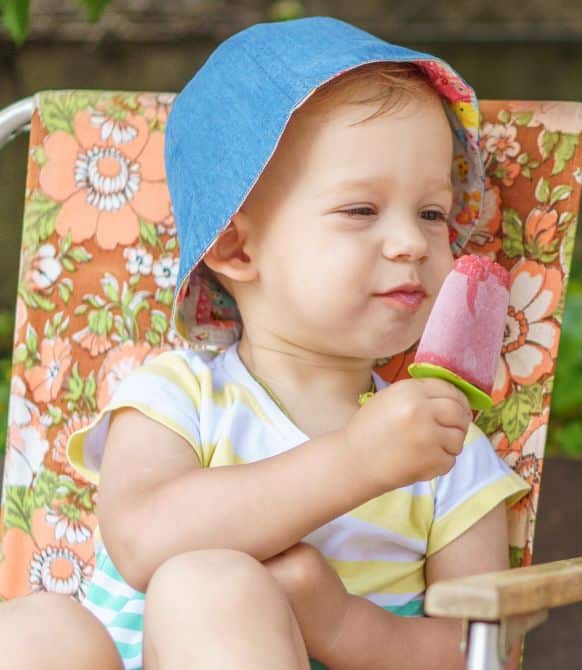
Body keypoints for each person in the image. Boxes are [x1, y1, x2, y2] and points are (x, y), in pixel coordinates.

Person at [0, 17, 528, 670]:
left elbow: (481, 654)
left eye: (433, 214)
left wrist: (337, 622)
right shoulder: (175, 397)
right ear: (238, 247)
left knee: (210, 589)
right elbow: (141, 540)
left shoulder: (445, 448)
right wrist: (357, 460)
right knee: (36, 628)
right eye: (361, 211)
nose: (413, 243)